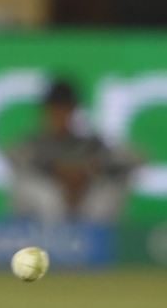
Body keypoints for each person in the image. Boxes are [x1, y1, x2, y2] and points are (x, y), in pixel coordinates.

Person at [8, 79, 141, 223]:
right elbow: (12, 157)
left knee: (111, 188)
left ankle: (99, 240)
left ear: (73, 110)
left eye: (64, 109)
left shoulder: (90, 145)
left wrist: (89, 172)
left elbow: (136, 159)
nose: (59, 115)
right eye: (55, 109)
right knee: (34, 188)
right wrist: (60, 174)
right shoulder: (32, 145)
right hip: (44, 220)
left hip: (87, 211)